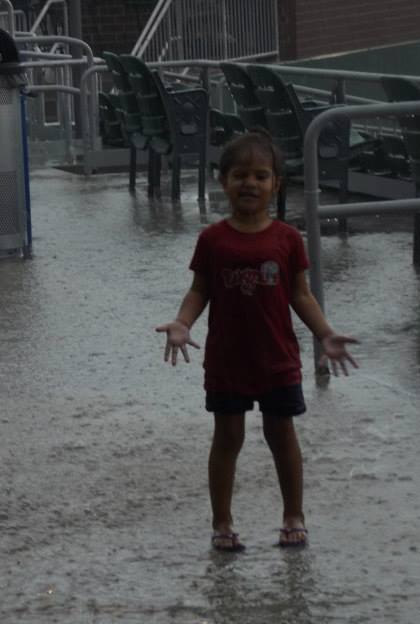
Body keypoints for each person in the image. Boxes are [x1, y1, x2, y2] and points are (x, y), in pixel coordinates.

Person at [154, 130, 358, 551]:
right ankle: (222, 522)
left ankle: (293, 515)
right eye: (240, 175)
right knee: (227, 439)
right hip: (227, 360)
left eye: (261, 176)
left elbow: (300, 294)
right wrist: (182, 322)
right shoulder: (213, 239)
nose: (251, 183)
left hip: (277, 358)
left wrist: (325, 333)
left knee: (281, 436)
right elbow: (200, 290)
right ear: (223, 180)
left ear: (276, 185)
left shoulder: (286, 239)